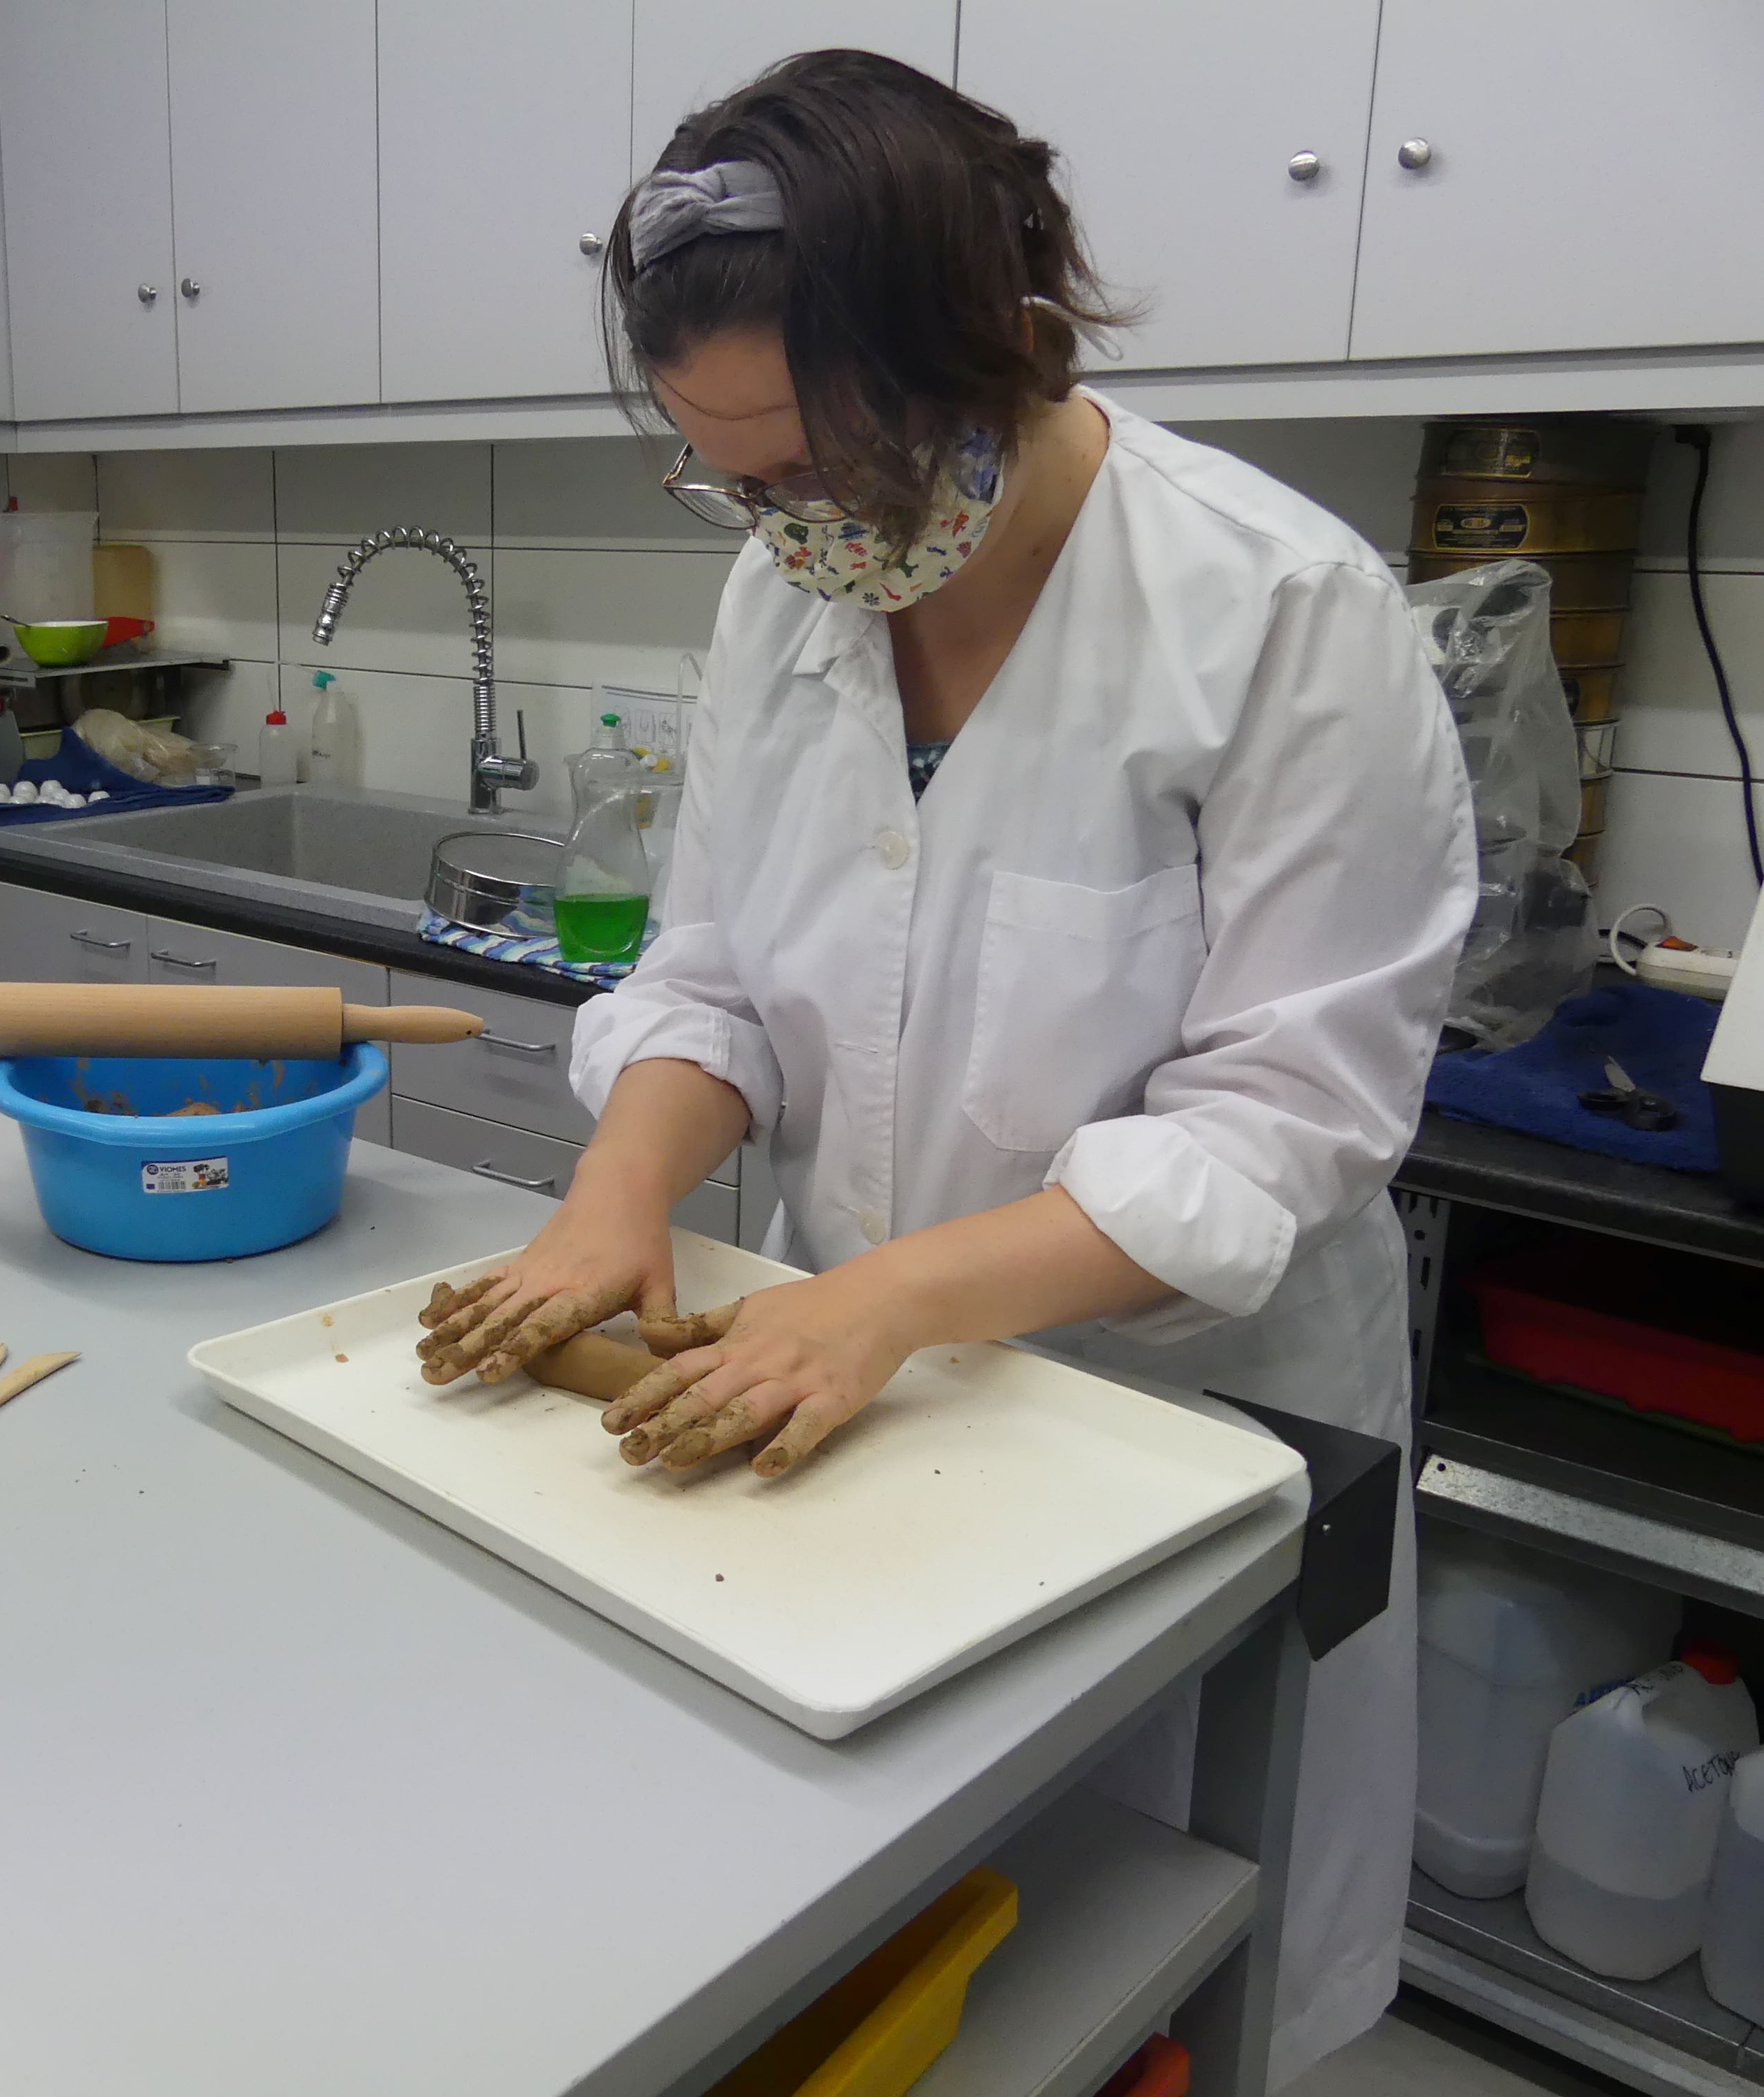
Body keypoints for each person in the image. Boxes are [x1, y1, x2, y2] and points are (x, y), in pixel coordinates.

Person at [414, 51, 1473, 2087]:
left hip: (1177, 1424)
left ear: (998, 350)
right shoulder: (785, 599)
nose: (786, 526)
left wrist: (892, 1297)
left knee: (1152, 1953)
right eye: (731, 478)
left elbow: (1283, 1124)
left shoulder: (1280, 615)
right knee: (913, 1957)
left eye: (824, 468)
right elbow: (714, 970)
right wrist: (618, 1195)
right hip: (853, 1397)